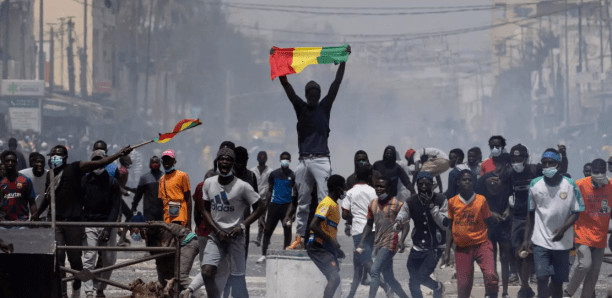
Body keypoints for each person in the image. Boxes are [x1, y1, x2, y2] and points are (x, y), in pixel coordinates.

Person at [35, 144, 132, 297]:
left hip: (77, 223)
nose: (54, 158)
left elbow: (99, 165)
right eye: (52, 155)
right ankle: (68, 293)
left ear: (65, 158)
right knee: (62, 259)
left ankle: (83, 286)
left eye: (57, 155)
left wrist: (119, 154)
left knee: (78, 261)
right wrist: (36, 215)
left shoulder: (76, 169)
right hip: (61, 223)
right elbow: (48, 198)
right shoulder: (53, 175)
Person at [278, 46, 349, 250]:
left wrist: (343, 60)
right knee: (302, 201)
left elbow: (336, 83)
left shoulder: (325, 107)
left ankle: (325, 235)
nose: (314, 95)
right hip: (303, 160)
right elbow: (286, 86)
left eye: (317, 92)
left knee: (324, 199)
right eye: (310, 92)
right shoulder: (300, 108)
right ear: (306, 94)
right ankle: (300, 238)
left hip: (321, 159)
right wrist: (279, 63)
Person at [200, 147, 265, 298]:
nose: (224, 162)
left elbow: (260, 207)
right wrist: (217, 230)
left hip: (236, 239)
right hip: (216, 237)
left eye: (228, 159)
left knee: (237, 281)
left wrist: (242, 226)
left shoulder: (242, 186)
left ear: (233, 163)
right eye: (221, 158)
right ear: (217, 162)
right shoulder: (209, 183)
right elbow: (204, 210)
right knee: (206, 272)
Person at [520, 149, 584, 298]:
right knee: (541, 277)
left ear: (559, 165)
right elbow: (530, 213)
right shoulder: (535, 184)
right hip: (540, 240)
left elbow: (577, 212)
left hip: (562, 242)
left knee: (557, 281)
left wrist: (563, 229)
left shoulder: (569, 185)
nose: (547, 166)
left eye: (551, 163)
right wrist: (526, 239)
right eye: (544, 163)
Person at [442, 169, 499, 298]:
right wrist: (446, 252)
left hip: (481, 244)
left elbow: (489, 222)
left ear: (474, 182)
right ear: (458, 182)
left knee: (491, 276)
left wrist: (489, 245)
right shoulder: (452, 202)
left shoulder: (481, 200)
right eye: (464, 179)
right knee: (463, 287)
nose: (467, 182)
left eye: (470, 179)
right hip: (462, 248)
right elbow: (450, 227)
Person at [396, 171, 448, 298]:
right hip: (418, 246)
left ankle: (437, 287)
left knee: (421, 276)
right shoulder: (411, 201)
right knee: (413, 280)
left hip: (435, 247)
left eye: (426, 183)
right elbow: (402, 216)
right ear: (417, 185)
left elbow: (445, 224)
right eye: (420, 184)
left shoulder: (441, 199)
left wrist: (431, 206)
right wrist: (398, 224)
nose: (423, 186)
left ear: (432, 184)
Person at [565, 158, 611, 297]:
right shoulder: (579, 185)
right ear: (591, 172)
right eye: (595, 172)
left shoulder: (610, 185)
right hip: (583, 234)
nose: (598, 175)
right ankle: (568, 292)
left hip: (600, 236)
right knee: (585, 264)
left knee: (594, 272)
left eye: (601, 172)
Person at [358, 176, 410, 298]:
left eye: (382, 186)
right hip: (378, 243)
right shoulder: (372, 204)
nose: (379, 189)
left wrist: (401, 240)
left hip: (391, 242)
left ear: (388, 188)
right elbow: (369, 224)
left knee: (374, 271)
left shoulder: (397, 204)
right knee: (389, 277)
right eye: (377, 186)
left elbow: (406, 225)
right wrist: (361, 241)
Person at [80, 150, 122, 298]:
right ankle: (89, 291)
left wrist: (108, 228)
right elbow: (80, 204)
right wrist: (82, 224)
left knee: (109, 260)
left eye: (100, 160)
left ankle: (101, 288)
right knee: (89, 258)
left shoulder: (112, 182)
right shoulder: (85, 180)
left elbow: (115, 207)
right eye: (95, 160)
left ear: (105, 162)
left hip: (107, 224)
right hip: (89, 224)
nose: (98, 163)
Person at [342, 165, 387, 298]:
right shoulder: (374, 192)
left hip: (358, 232)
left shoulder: (350, 192)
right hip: (372, 230)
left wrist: (353, 216)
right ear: (369, 177)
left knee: (367, 262)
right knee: (357, 266)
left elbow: (344, 214)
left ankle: (385, 286)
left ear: (355, 176)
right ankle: (350, 295)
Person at [306, 174, 347, 298]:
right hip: (317, 246)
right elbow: (314, 225)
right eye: (343, 187)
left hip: (326, 247)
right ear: (337, 189)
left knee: (335, 278)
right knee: (334, 278)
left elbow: (328, 229)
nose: (345, 190)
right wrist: (331, 241)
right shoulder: (326, 204)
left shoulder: (334, 205)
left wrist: (336, 249)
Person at [507, 144, 538, 298]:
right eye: (514, 159)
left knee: (530, 252)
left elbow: (560, 169)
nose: (516, 162)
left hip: (534, 217)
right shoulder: (510, 174)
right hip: (517, 217)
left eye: (519, 159)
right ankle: (524, 285)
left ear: (526, 159)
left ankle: (528, 282)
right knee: (518, 252)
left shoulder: (535, 170)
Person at [477, 166, 513, 298]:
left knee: (505, 259)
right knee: (490, 260)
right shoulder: (483, 184)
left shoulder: (508, 183)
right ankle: (491, 291)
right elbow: (478, 203)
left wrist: (508, 210)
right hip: (489, 225)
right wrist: (491, 213)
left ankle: (505, 292)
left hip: (504, 225)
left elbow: (512, 200)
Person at [257, 152, 295, 264]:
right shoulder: (274, 174)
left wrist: (293, 213)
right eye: (283, 159)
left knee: (287, 230)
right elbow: (269, 191)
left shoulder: (292, 175)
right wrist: (264, 208)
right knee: (267, 230)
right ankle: (264, 254)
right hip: (274, 205)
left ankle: (286, 252)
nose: (285, 161)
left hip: (286, 207)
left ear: (290, 161)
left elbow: (295, 195)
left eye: (287, 159)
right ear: (280, 160)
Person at [141, 221, 199, 291]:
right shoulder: (152, 238)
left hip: (188, 242)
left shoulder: (160, 230)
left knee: (181, 277)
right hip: (176, 247)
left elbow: (162, 254)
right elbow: (159, 258)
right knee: (165, 280)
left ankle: (199, 295)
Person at [0, 150, 37, 222]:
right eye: (8, 161)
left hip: (22, 222)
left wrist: (34, 217)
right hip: (3, 223)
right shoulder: (1, 182)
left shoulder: (25, 180)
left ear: (16, 163)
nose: (10, 163)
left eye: (12, 161)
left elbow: (32, 202)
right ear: (4, 163)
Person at [159, 149, 192, 228]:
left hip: (180, 216)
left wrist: (189, 221)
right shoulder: (162, 179)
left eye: (169, 159)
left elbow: (188, 199)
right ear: (162, 162)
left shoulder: (182, 176)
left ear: (174, 161)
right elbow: (161, 202)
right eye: (164, 160)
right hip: (167, 218)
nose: (166, 162)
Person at [132, 156, 164, 221]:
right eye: (153, 162)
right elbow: (138, 194)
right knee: (149, 229)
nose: (155, 164)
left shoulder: (164, 177)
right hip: (149, 211)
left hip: (162, 210)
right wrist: (134, 206)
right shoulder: (144, 178)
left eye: (156, 162)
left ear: (159, 164)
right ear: (150, 164)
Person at [251, 151, 272, 247]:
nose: (262, 159)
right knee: (260, 217)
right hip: (254, 197)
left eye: (264, 157)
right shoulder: (253, 171)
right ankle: (266, 235)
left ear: (266, 159)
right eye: (260, 157)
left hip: (265, 198)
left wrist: (268, 198)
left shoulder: (270, 171)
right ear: (257, 159)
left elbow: (271, 186)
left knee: (262, 217)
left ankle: (260, 238)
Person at [19, 152, 48, 219]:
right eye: (37, 162)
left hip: (43, 214)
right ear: (33, 163)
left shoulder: (49, 175)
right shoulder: (23, 174)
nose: (40, 164)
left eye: (42, 162)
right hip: (26, 214)